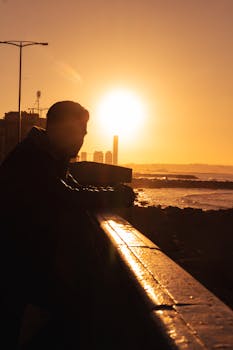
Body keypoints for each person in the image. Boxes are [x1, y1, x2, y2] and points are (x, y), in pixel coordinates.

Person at [0, 100, 134, 348]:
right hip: (14, 265)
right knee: (76, 312)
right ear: (59, 130)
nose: (82, 139)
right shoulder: (34, 159)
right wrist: (115, 195)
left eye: (83, 133)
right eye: (78, 132)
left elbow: (74, 188)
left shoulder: (47, 155)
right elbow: (67, 195)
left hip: (22, 264)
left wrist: (109, 191)